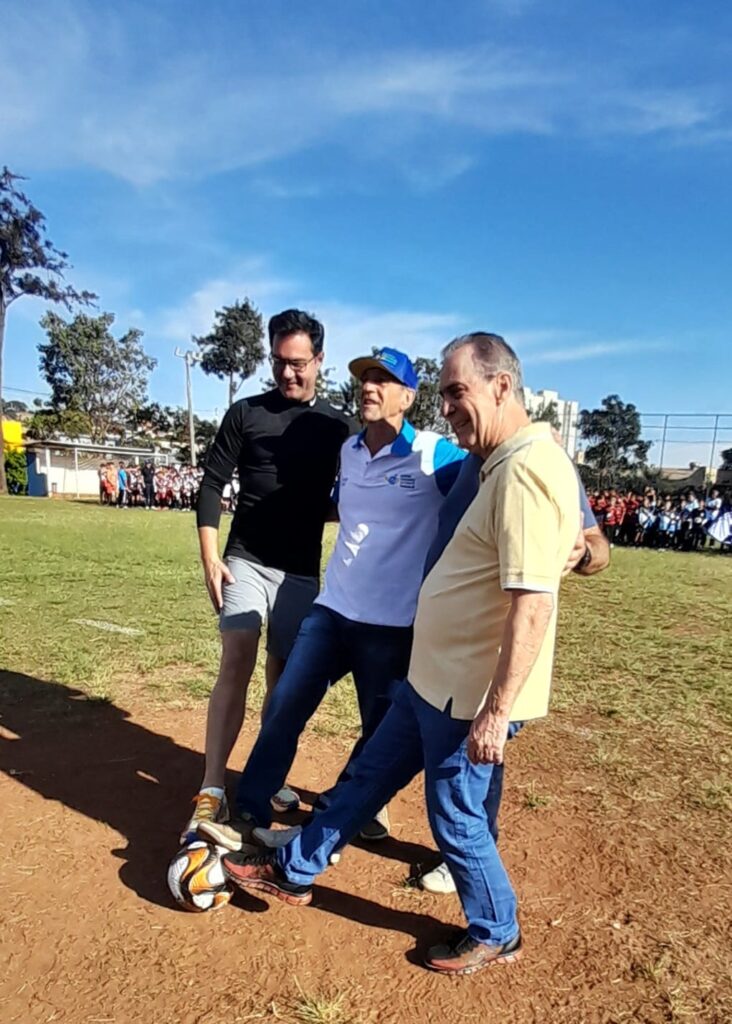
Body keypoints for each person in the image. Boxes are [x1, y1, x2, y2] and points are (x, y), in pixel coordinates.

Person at [219, 332, 583, 975]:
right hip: (431, 675)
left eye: (457, 391)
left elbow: (532, 601)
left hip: (468, 690)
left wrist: (496, 712)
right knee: (365, 780)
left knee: (456, 818)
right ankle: (294, 870)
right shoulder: (497, 457)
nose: (448, 407)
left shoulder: (524, 466)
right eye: (444, 393)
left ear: (502, 386)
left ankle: (496, 928)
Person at [198, 347, 466, 848]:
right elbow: (339, 508)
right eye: (365, 377)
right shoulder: (349, 451)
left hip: (392, 626)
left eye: (383, 380)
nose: (368, 386)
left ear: (408, 396)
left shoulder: (434, 454)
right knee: (283, 707)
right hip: (332, 610)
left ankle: (347, 811)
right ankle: (248, 813)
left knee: (379, 735)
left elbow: (493, 475)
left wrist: (578, 521)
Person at [180, 309, 353, 843]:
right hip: (245, 560)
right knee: (238, 654)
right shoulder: (245, 414)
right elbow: (210, 487)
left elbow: (356, 493)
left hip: (300, 573)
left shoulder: (337, 427)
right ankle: (212, 787)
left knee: (283, 687)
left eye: (298, 364)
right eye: (279, 362)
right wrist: (211, 558)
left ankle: (267, 775)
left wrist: (313, 510)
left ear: (319, 360)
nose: (287, 374)